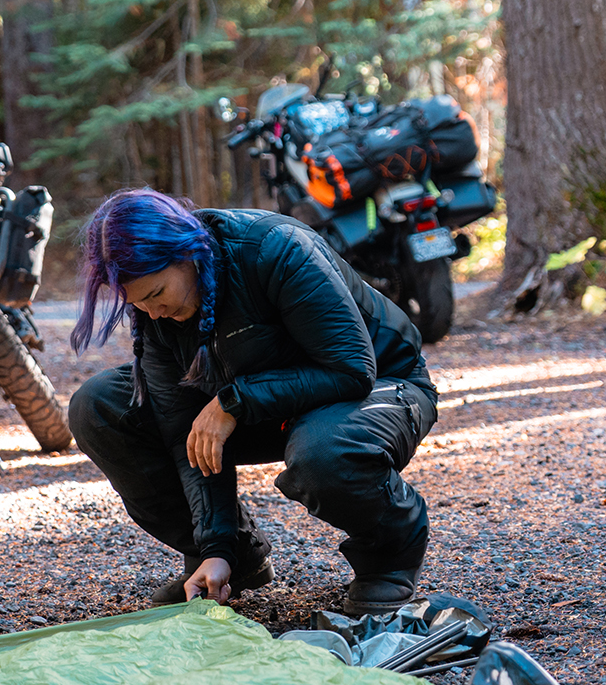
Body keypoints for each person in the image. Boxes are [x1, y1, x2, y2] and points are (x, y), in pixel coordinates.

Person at [68, 189, 438, 615]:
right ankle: (236, 560)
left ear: (186, 253)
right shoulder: (158, 317)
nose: (152, 312)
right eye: (138, 303)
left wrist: (232, 402)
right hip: (266, 402)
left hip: (379, 385)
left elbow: (351, 369)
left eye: (156, 294)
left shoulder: (274, 247)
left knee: (324, 453)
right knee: (99, 405)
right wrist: (216, 546)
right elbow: (181, 433)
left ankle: (390, 555)